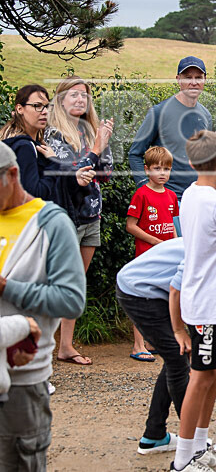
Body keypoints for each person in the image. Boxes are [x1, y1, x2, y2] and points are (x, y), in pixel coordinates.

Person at [115, 236, 216, 457]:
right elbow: (177, 289)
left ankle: (154, 435)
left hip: (152, 291)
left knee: (178, 358)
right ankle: (191, 443)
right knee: (177, 359)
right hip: (139, 290)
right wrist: (179, 330)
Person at [0, 141, 86, 470]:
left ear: (12, 175)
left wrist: (7, 287)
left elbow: (71, 300)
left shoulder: (51, 224)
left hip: (22, 384)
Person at [169, 130, 216, 472]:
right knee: (201, 376)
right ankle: (183, 460)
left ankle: (199, 448)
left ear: (190, 162)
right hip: (208, 299)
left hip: (209, 297)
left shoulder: (189, 194)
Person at [45, 76, 113, 367]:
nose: (80, 100)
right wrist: (95, 152)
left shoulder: (90, 132)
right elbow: (72, 173)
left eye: (84, 96)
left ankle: (65, 345)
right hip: (64, 216)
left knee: (77, 282)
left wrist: (95, 152)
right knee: (55, 280)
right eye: (73, 95)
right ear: (60, 100)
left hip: (91, 213)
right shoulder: (53, 135)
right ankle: (40, 343)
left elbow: (105, 171)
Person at [129, 56, 212, 233]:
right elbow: (135, 153)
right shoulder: (159, 112)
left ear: (205, 80)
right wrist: (146, 188)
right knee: (175, 255)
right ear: (178, 80)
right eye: (188, 77)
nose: (193, 82)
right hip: (169, 200)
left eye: (198, 77)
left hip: (198, 198)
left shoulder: (206, 115)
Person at [126, 146, 180, 362]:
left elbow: (171, 224)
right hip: (147, 255)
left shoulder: (171, 196)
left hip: (166, 256)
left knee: (163, 297)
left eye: (166, 169)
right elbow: (131, 225)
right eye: (157, 168)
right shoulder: (141, 194)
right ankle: (137, 344)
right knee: (142, 297)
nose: (162, 173)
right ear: (147, 170)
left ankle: (151, 341)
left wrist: (176, 244)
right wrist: (155, 241)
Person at [0, 84, 94, 203]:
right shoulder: (24, 147)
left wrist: (74, 179)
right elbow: (36, 195)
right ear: (19, 109)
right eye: (37, 106)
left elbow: (55, 188)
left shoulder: (36, 144)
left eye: (46, 107)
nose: (44, 112)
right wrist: (53, 162)